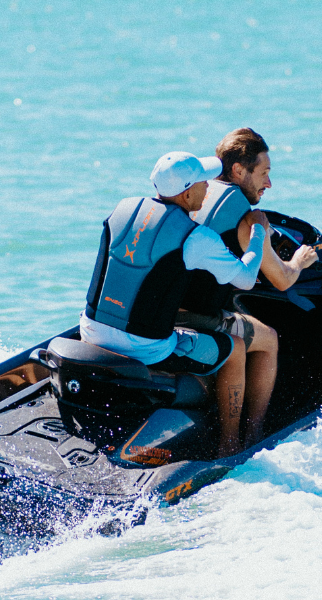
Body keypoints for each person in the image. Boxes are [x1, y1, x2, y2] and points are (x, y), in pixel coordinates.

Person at [79, 151, 269, 457]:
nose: (209, 189)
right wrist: (259, 230)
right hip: (146, 348)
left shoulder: (122, 208)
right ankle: (230, 444)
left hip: (90, 331)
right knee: (234, 349)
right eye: (204, 183)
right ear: (187, 191)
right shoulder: (196, 238)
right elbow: (245, 278)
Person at [178, 128, 319, 446]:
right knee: (267, 339)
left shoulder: (197, 193)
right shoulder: (245, 217)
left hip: (165, 309)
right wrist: (300, 260)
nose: (268, 183)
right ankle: (249, 435)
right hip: (195, 318)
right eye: (264, 173)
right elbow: (281, 280)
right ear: (239, 170)